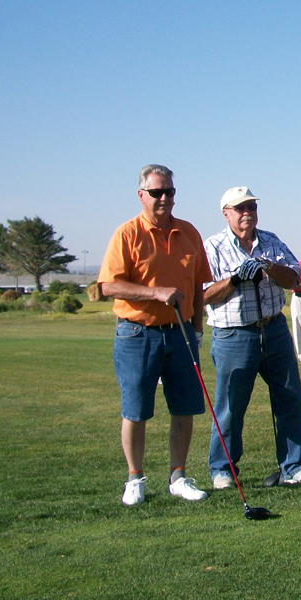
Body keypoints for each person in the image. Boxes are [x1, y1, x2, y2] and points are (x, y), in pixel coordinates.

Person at [99, 164, 212, 507]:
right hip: (137, 333)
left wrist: (196, 331)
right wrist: (155, 293)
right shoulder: (127, 233)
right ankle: (135, 479)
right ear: (141, 195)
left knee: (185, 407)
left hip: (180, 334)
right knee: (136, 410)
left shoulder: (188, 232)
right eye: (157, 192)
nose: (164, 199)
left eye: (170, 192)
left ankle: (178, 475)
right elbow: (108, 285)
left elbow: (196, 284)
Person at [202, 187, 301, 488]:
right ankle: (223, 469)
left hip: (274, 329)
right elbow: (204, 294)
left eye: (251, 206)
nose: (247, 213)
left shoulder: (270, 241)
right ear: (226, 213)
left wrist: (268, 267)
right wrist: (234, 279)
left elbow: (294, 277)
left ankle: (293, 466)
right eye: (239, 208)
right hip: (233, 335)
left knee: (291, 399)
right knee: (231, 405)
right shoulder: (212, 247)